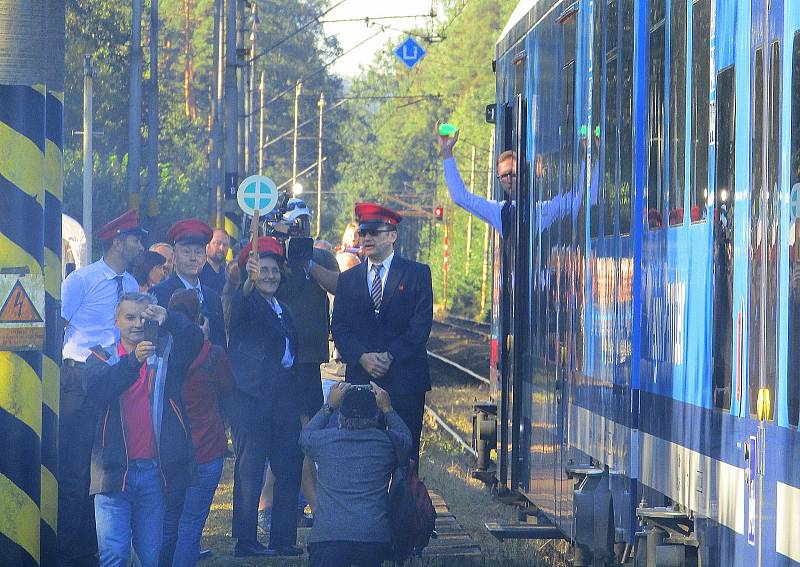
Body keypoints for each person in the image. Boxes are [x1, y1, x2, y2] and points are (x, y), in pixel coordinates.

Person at [86, 292, 203, 567]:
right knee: (114, 555)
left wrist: (170, 318)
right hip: (113, 473)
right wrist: (133, 361)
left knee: (150, 557)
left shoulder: (166, 352)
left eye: (144, 316)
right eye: (129, 317)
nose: (137, 323)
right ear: (116, 321)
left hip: (153, 471)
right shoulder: (101, 356)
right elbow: (99, 389)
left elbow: (197, 340)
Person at [58, 208, 146, 566]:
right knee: (74, 471)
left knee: (103, 466)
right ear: (118, 241)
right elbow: (59, 326)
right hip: (79, 377)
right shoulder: (82, 279)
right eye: (136, 239)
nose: (140, 245)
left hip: (114, 378)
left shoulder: (131, 286)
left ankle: (94, 547)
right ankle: (65, 551)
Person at [331, 203, 433, 469]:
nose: (367, 238)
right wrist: (362, 357)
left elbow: (420, 326)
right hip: (361, 383)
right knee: (361, 457)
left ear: (392, 235)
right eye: (363, 233)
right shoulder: (348, 279)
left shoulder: (417, 274)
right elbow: (339, 326)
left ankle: (403, 509)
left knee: (404, 456)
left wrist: (390, 356)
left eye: (375, 232)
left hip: (405, 381)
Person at [227, 236, 305, 558]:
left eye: (274, 270)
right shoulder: (244, 303)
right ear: (253, 273)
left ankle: (283, 539)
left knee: (289, 465)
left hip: (283, 399)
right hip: (251, 399)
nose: (270, 276)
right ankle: (246, 541)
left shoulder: (282, 309)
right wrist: (247, 281)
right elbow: (240, 302)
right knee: (250, 468)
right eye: (263, 270)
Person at [265, 197, 339, 526]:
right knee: (283, 436)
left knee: (307, 435)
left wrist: (308, 262)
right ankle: (270, 508)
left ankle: (305, 506)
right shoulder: (271, 257)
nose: (299, 232)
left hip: (310, 360)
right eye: (293, 226)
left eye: (303, 225)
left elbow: (338, 286)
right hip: (280, 362)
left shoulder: (319, 256)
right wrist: (280, 253)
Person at [160, 289, 235, 567]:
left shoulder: (159, 356)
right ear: (199, 318)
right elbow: (229, 387)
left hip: (171, 452)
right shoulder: (212, 355)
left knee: (168, 523)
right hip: (208, 449)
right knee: (191, 525)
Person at [300, 382, 412, 567]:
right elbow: (406, 440)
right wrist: (388, 408)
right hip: (372, 538)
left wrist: (328, 406)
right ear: (375, 416)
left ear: (341, 416)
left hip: (328, 537)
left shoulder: (324, 441)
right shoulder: (387, 443)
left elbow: (304, 437)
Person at [150, 219, 227, 348]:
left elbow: (221, 346)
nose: (193, 258)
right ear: (174, 257)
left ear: (205, 258)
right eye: (186, 252)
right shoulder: (158, 294)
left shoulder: (212, 297)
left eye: (198, 252)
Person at [436, 120, 517, 235]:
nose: (508, 180)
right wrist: (446, 153)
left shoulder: (540, 209)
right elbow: (460, 197)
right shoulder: (502, 212)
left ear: (523, 174)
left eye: (512, 174)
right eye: (503, 176)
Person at [199, 228, 231, 295]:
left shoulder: (226, 275)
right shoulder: (198, 272)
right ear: (207, 245)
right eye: (217, 243)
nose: (221, 248)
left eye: (225, 245)